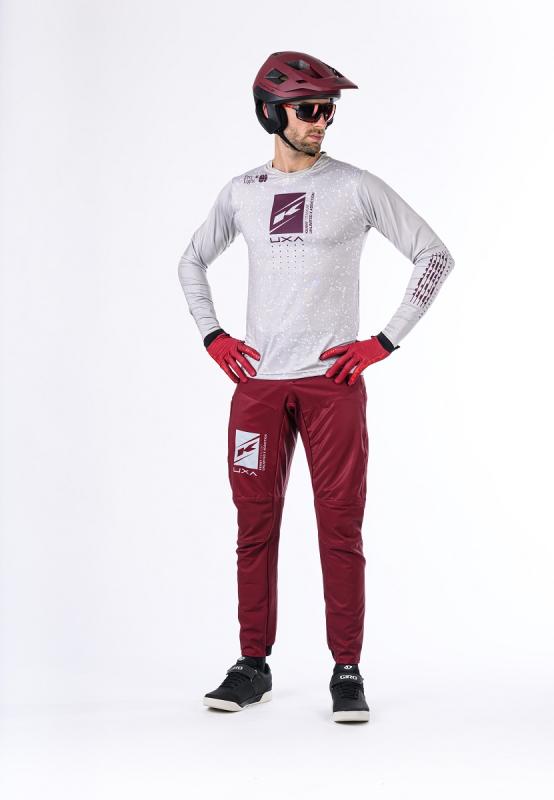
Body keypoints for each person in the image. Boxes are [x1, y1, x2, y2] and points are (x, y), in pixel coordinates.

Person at [177, 51, 455, 723]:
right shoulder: (241, 192)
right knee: (254, 526)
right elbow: (191, 261)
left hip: (333, 387)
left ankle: (347, 670)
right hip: (259, 389)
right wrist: (214, 336)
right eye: (308, 108)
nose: (322, 121)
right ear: (270, 112)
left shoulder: (355, 187)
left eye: (329, 109)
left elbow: (435, 255)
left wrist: (383, 341)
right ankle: (252, 664)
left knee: (339, 526)